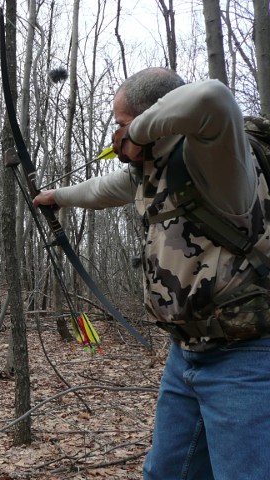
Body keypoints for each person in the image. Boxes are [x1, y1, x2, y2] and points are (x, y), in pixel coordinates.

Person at [33, 67, 270, 479]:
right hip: (186, 353)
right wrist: (58, 197)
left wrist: (136, 131)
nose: (117, 136)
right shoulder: (157, 168)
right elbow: (105, 189)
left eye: (121, 124)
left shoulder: (212, 156)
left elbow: (211, 97)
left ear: (153, 120)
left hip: (246, 357)